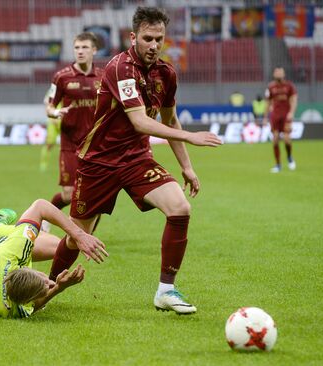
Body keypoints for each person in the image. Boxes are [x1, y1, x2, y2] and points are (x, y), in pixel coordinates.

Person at [48, 7, 222, 315]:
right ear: (133, 37)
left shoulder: (166, 74)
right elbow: (141, 122)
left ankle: (166, 291)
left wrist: (187, 165)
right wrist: (192, 137)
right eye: (147, 38)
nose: (154, 45)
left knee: (180, 207)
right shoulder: (120, 67)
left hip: (137, 160)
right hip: (99, 163)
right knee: (77, 238)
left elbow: (171, 120)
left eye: (159, 39)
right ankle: (46, 287)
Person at [44, 32, 104, 223]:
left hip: (96, 146)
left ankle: (88, 234)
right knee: (69, 194)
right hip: (70, 145)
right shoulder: (62, 77)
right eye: (77, 47)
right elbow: (50, 106)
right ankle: (46, 216)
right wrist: (54, 113)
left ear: (94, 50)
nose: (80, 51)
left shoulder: (104, 76)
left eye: (85, 47)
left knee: (96, 193)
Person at [263, 66, 298, 173]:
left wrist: (291, 113)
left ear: (284, 74)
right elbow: (268, 102)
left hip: (286, 115)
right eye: (277, 72)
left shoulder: (289, 86)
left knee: (287, 139)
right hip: (275, 116)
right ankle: (278, 165)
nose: (278, 74)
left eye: (280, 72)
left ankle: (289, 157)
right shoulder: (271, 87)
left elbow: (294, 100)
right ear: (274, 74)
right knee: (275, 139)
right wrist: (265, 117)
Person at [39, 87, 62, 172]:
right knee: (50, 143)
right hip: (53, 121)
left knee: (67, 145)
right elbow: (47, 104)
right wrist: (52, 117)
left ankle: (64, 164)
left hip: (65, 120)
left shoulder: (69, 86)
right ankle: (43, 164)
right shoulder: (52, 89)